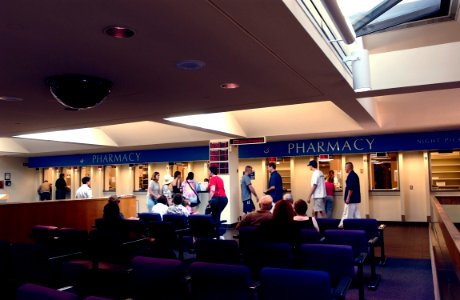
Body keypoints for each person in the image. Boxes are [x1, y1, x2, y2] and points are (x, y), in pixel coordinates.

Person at [338, 162, 361, 228]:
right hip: (355, 199)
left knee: (348, 214)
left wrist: (348, 197)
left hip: (351, 199)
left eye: (345, 167)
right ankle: (359, 227)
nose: (345, 168)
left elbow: (350, 188)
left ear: (348, 167)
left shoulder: (351, 176)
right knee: (356, 215)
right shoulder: (354, 175)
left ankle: (346, 228)